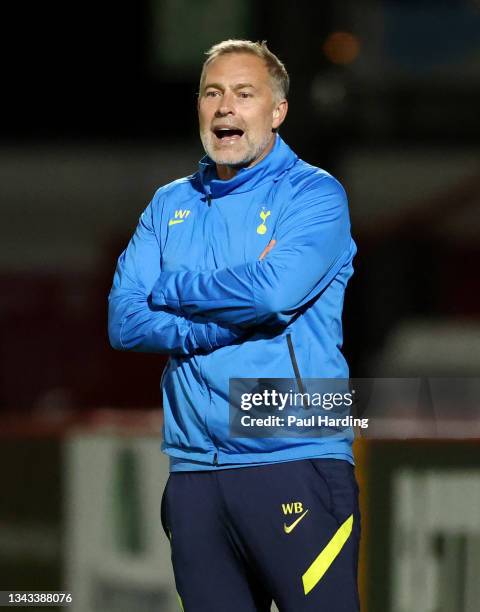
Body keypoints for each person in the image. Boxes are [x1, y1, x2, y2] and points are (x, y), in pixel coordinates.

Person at [108, 39, 360, 612]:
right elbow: (124, 320)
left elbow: (272, 296)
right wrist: (212, 326)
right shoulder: (168, 204)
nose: (226, 107)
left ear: (277, 111)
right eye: (213, 92)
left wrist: (172, 288)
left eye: (245, 94)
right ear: (198, 106)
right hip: (195, 472)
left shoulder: (315, 194)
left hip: (294, 458)